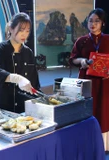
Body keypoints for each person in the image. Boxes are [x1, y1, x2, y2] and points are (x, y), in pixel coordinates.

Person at [69, 8, 109, 151]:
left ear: (102, 23)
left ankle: (104, 146)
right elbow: (72, 59)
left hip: (105, 84)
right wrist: (82, 61)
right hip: (87, 82)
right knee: (87, 111)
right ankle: (86, 144)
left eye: (97, 21)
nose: (93, 24)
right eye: (90, 21)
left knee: (104, 111)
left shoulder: (108, 39)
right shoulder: (82, 41)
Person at [0, 12, 41, 113]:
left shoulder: (28, 52)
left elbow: (34, 82)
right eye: (21, 30)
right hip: (3, 106)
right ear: (11, 29)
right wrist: (17, 78)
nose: (24, 34)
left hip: (23, 107)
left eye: (27, 31)